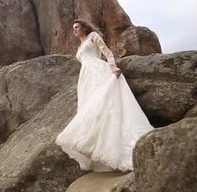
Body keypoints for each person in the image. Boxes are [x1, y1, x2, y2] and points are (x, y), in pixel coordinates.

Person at [55, 19, 154, 172]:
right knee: (92, 108)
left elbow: (106, 51)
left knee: (105, 101)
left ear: (84, 28)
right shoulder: (80, 46)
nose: (74, 30)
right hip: (85, 77)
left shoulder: (92, 36)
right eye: (73, 28)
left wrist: (113, 66)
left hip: (97, 71)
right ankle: (97, 145)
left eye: (77, 27)